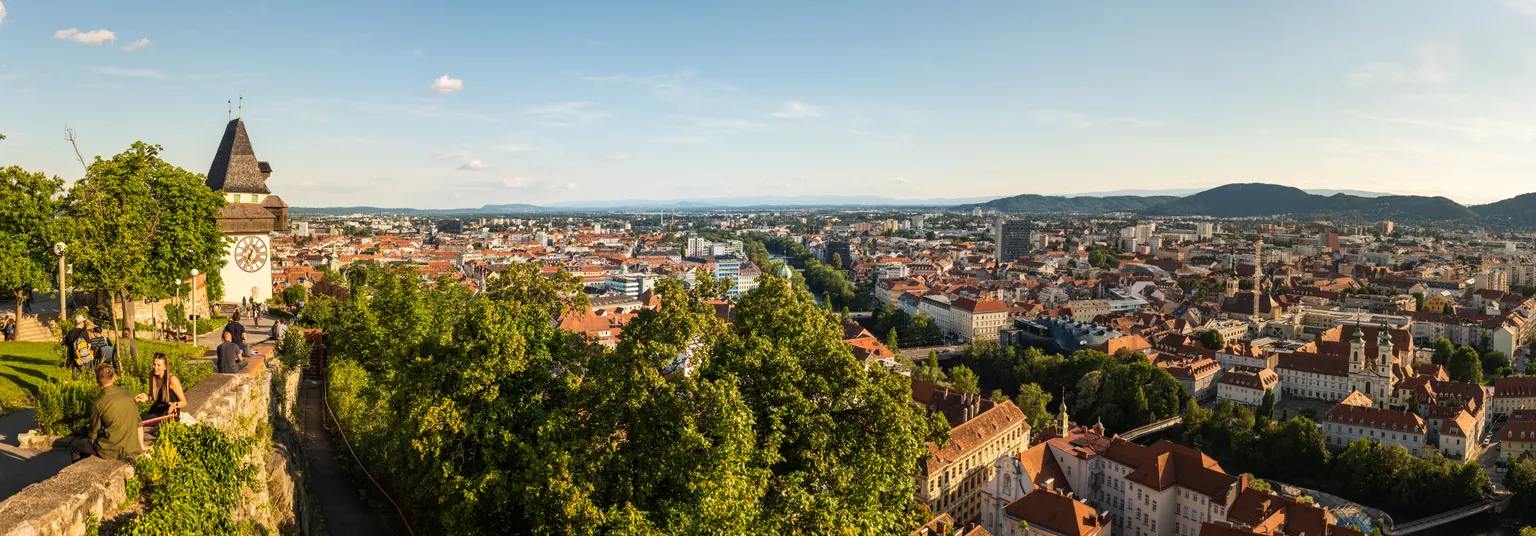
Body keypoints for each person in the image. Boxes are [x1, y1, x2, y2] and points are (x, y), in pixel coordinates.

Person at [71, 364, 147, 462]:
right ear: (113, 378)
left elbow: (93, 433)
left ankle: (79, 472)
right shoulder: (128, 393)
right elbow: (138, 423)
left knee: (76, 447)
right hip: (132, 447)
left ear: (96, 380)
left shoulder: (97, 402)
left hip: (111, 450)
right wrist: (142, 446)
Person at [135, 353, 186, 418]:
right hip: (158, 408)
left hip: (170, 410)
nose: (155, 367)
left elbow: (184, 402)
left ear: (165, 367)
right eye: (154, 364)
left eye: (159, 365)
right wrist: (146, 397)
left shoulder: (172, 380)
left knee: (142, 423)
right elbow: (153, 396)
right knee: (137, 419)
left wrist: (174, 405)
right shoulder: (152, 375)